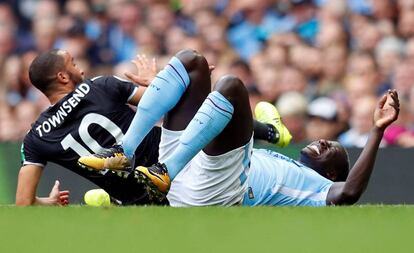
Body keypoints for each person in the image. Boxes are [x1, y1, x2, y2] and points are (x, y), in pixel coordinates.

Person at [80, 49, 399, 206]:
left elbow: (352, 191)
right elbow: (221, 128)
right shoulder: (277, 160)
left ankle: (160, 175)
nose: (327, 142)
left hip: (216, 188)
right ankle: (127, 151)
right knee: (193, 63)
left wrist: (377, 130)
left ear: (332, 174)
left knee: (231, 86)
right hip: (188, 170)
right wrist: (171, 89)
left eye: (334, 151)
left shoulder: (317, 189)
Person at [17, 49, 289, 206]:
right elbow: (164, 103)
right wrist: (159, 81)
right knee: (198, 82)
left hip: (145, 201)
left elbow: (23, 202)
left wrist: (48, 202)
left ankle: (114, 189)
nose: (81, 71)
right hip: (178, 163)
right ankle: (270, 132)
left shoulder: (35, 137)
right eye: (74, 65)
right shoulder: (99, 86)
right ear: (63, 77)